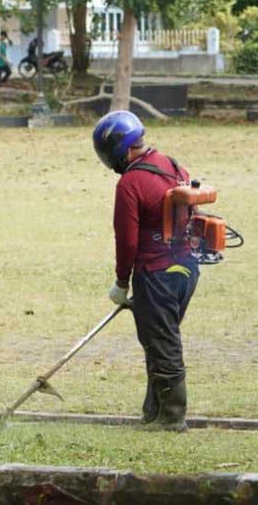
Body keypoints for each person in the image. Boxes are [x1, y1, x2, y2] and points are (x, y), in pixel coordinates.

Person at [92, 109, 210, 430]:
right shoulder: (173, 165)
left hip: (156, 274)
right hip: (187, 271)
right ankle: (153, 411)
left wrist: (121, 281)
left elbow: (127, 241)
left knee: (162, 342)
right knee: (158, 338)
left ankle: (172, 418)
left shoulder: (131, 183)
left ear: (120, 148)